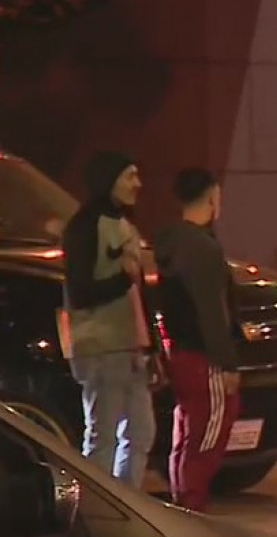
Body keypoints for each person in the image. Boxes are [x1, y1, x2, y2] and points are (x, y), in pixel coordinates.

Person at [60, 151, 156, 489]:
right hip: (101, 347)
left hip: (131, 347)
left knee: (141, 433)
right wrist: (123, 278)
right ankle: (96, 505)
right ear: (108, 180)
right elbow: (80, 292)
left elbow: (140, 294)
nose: (137, 184)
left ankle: (127, 503)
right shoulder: (85, 226)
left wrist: (152, 346)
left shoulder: (126, 224)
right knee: (103, 437)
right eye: (130, 176)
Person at [154, 167, 242, 512]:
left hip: (180, 353)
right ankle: (192, 505)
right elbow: (212, 310)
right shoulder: (201, 249)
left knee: (189, 429)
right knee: (209, 430)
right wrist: (227, 362)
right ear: (211, 197)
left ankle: (183, 498)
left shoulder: (171, 242)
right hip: (204, 357)